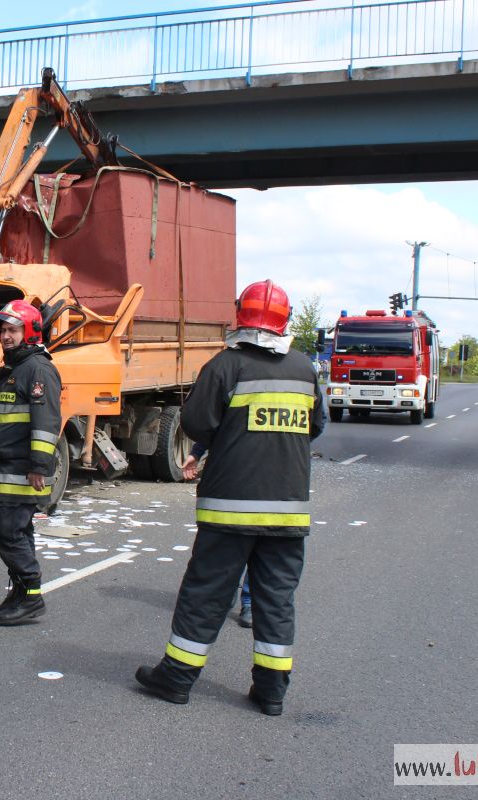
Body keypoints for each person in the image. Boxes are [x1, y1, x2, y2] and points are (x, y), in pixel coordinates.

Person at [136, 279, 324, 716]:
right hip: (289, 513)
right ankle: (272, 692)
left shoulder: (225, 366)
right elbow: (316, 427)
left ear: (240, 314)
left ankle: (177, 678)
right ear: (285, 320)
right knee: (276, 599)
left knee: (206, 594)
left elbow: (197, 425)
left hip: (230, 509)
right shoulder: (304, 368)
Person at [0, 300, 61, 626]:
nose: (5, 336)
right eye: (2, 331)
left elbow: (46, 421)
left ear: (29, 333)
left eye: (12, 330)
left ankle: (31, 597)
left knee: (8, 532)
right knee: (16, 531)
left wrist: (39, 465)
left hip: (21, 471)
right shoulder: (18, 368)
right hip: (6, 465)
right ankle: (19, 594)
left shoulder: (37, 369)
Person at [181, 443, 250, 629]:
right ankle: (234, 596)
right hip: (246, 475)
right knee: (240, 539)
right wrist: (197, 451)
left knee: (258, 542)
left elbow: (206, 421)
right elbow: (210, 421)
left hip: (264, 476)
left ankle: (246, 601)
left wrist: (197, 452)